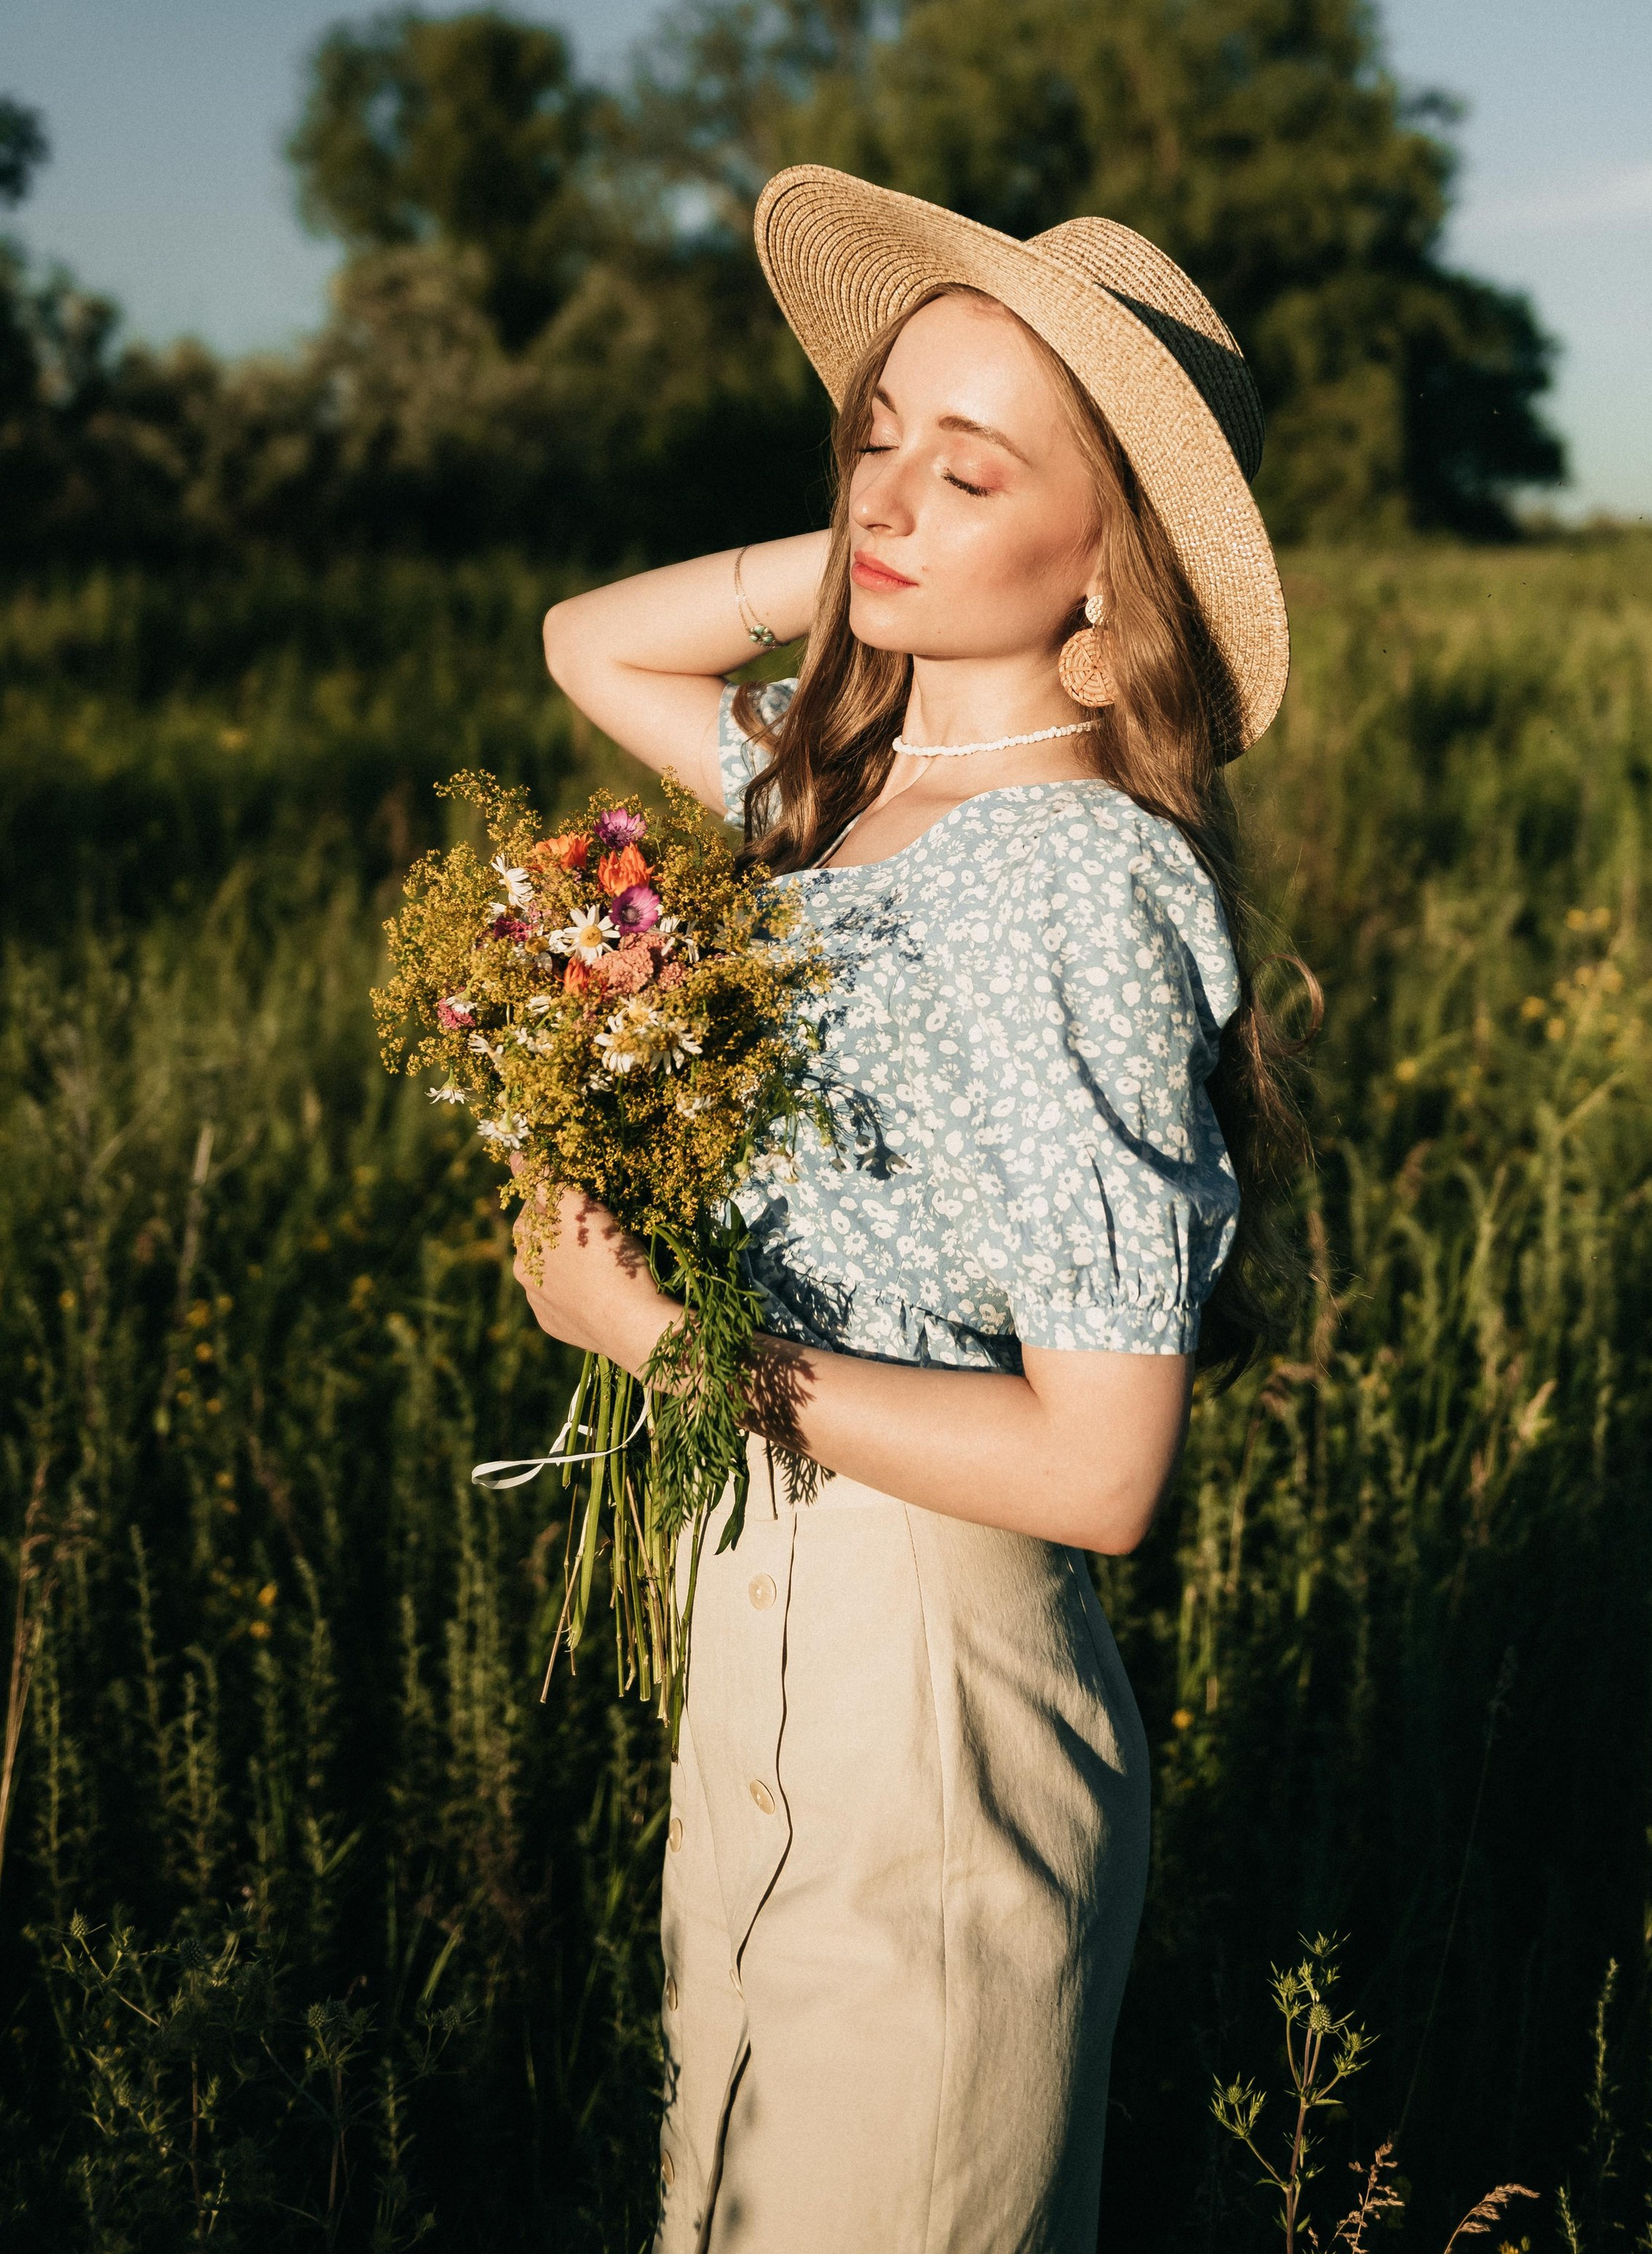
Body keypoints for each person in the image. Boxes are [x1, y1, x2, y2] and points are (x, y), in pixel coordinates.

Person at [520, 166, 1298, 2253]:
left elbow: (1101, 1468)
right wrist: (874, 566)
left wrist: (662, 1342)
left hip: (933, 1676)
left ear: (1111, 564)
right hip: (764, 1606)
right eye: (875, 436)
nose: (890, 497)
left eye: (973, 470)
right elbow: (587, 640)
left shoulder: (1074, 874)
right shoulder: (836, 793)